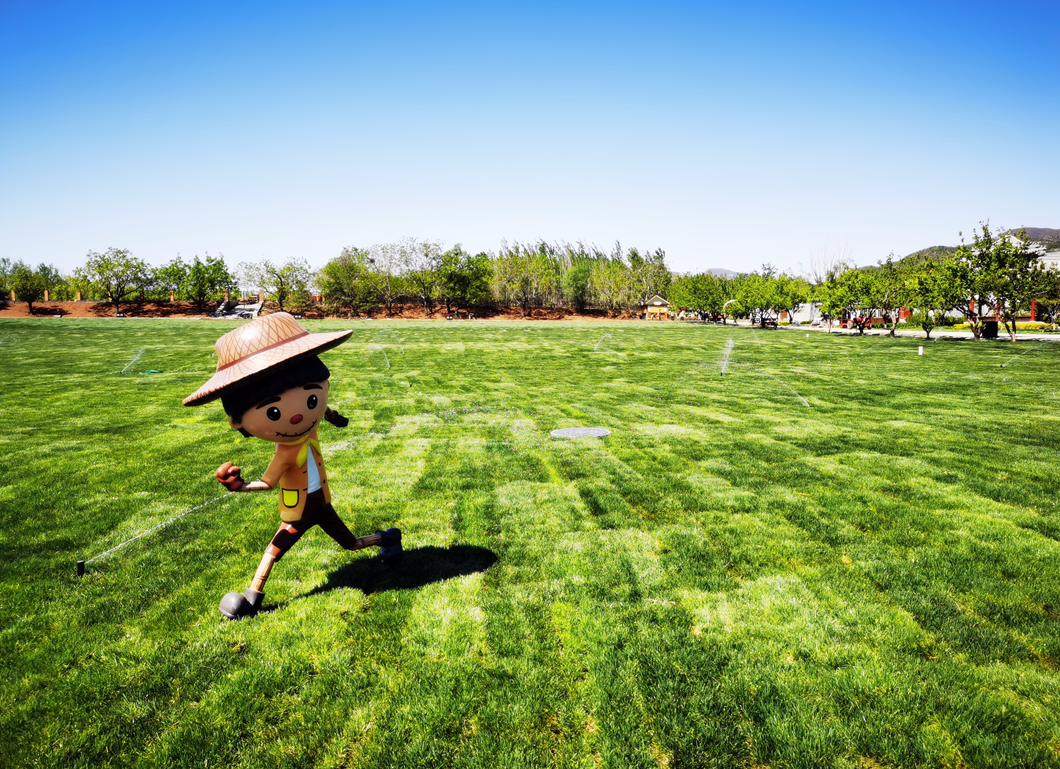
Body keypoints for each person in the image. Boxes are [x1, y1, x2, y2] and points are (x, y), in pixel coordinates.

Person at [183, 312, 401, 620]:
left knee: (350, 544)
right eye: (273, 411)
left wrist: (330, 415)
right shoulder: (285, 451)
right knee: (273, 551)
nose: (297, 415)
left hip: (321, 506)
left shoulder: (307, 432)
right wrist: (240, 486)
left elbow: (319, 413)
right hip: (299, 512)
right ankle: (252, 598)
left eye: (311, 399)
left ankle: (388, 537)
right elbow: (268, 482)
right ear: (236, 421)